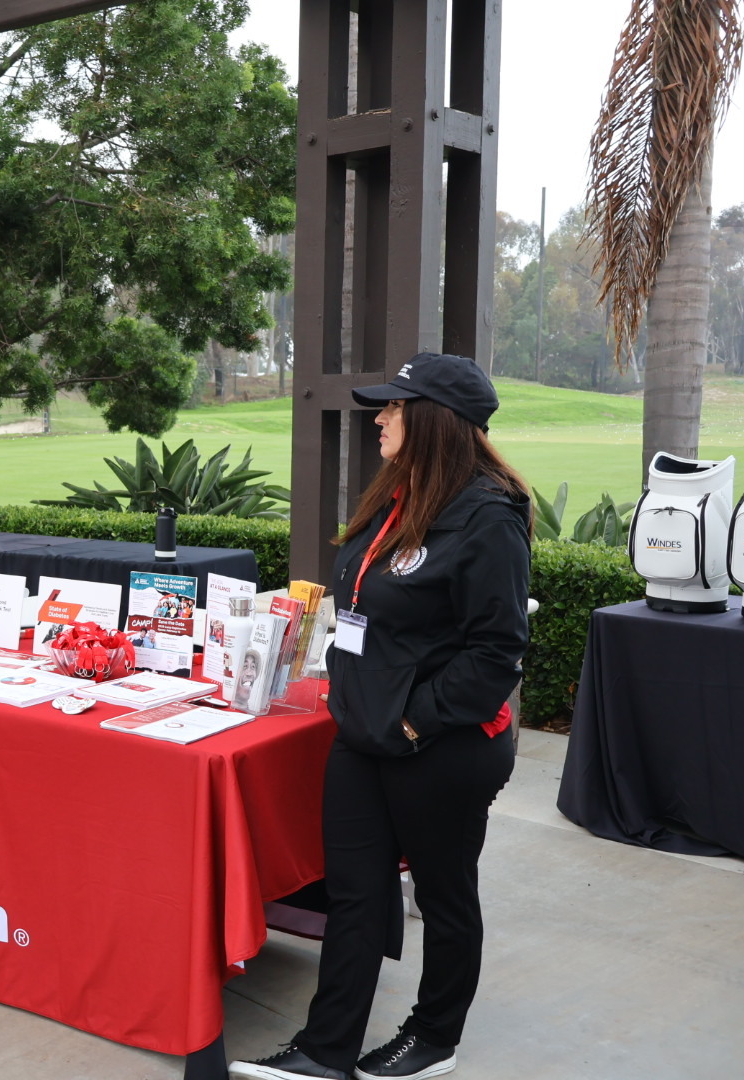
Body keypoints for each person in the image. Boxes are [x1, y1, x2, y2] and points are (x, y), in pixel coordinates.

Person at [229, 353, 530, 1080]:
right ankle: (325, 1049)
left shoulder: (487, 517)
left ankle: (434, 1037)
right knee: (356, 896)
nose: (381, 418)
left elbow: (496, 654)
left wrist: (412, 722)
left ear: (436, 421)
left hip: (440, 746)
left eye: (395, 406)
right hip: (364, 733)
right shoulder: (402, 496)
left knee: (445, 896)